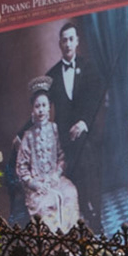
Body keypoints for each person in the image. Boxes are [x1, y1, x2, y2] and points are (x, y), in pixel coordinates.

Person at [44, 20, 105, 229]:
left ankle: (96, 218)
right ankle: (79, 219)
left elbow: (96, 99)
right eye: (64, 40)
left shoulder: (89, 68)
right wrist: (21, 133)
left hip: (87, 135)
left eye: (71, 39)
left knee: (90, 173)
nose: (68, 44)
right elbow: (40, 107)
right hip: (64, 138)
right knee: (72, 178)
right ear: (60, 44)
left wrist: (83, 123)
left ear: (77, 41)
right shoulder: (52, 75)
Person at [13, 82, 81, 232]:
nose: (41, 110)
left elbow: (61, 157)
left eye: (44, 105)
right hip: (37, 185)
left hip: (54, 179)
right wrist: (35, 184)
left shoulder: (54, 129)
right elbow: (21, 167)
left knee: (70, 192)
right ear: (32, 110)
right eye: (37, 106)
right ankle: (51, 242)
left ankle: (68, 238)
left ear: (49, 107)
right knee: (48, 202)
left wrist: (56, 175)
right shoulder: (28, 136)